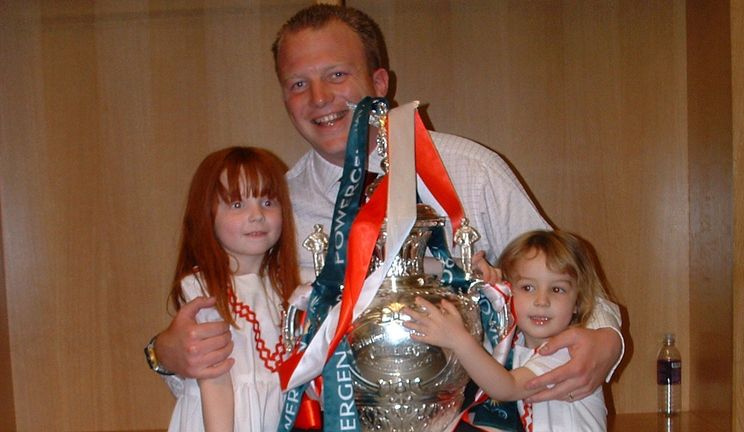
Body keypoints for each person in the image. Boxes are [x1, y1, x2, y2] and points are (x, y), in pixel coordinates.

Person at [147, 3, 623, 408]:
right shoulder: (273, 213)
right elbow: (238, 346)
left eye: (337, 74)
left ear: (379, 82)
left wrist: (609, 342)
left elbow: (576, 287)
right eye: (298, 84)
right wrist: (164, 356)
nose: (319, 99)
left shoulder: (471, 172)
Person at [404, 230, 609, 431]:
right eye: (528, 287)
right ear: (509, 290)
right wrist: (483, 280)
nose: (542, 301)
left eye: (557, 289)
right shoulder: (517, 340)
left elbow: (507, 388)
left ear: (577, 303)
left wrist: (458, 340)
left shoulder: (565, 351)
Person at [165, 146, 300, 431]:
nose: (257, 215)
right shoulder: (204, 290)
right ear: (207, 214)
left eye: (268, 202)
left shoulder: (285, 288)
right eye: (238, 205)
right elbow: (215, 381)